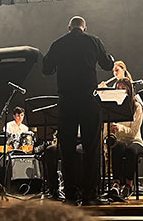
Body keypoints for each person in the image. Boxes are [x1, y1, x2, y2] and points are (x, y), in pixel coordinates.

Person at [42, 16, 114, 206]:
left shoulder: (58, 44)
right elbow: (108, 65)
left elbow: (46, 69)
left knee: (66, 148)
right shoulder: (93, 40)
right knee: (91, 146)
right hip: (88, 99)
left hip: (67, 101)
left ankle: (71, 195)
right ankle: (90, 194)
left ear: (69, 28)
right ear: (84, 27)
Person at [108, 78, 143, 199]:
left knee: (131, 151)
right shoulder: (112, 106)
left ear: (129, 90)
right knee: (117, 147)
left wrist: (119, 127)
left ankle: (129, 184)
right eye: (118, 88)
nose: (120, 91)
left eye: (123, 88)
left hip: (135, 141)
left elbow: (134, 132)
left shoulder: (136, 107)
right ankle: (116, 183)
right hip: (120, 141)